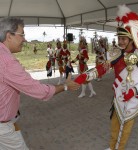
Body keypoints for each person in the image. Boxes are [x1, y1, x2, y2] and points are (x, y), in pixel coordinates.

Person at [74, 5, 138, 150]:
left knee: (125, 131)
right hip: (118, 97)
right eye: (119, 38)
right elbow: (101, 69)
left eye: (123, 38)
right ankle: (112, 147)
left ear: (132, 38)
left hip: (133, 100)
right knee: (115, 126)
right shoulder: (115, 53)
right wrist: (84, 77)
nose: (120, 41)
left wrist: (134, 91)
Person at [0, 17, 80, 150]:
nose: (24, 39)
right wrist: (65, 86)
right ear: (9, 36)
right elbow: (40, 91)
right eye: (22, 34)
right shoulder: (7, 61)